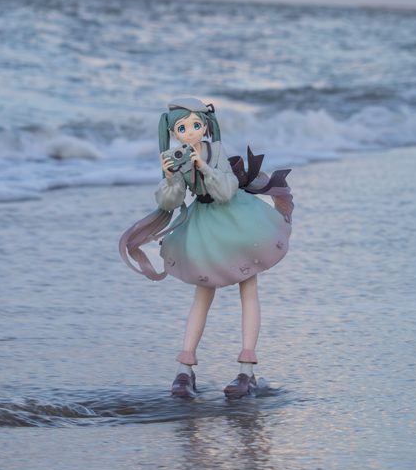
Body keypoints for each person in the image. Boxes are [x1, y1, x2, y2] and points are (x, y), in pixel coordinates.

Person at [119, 98, 293, 400]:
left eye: (196, 125)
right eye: (182, 128)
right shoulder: (174, 157)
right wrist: (172, 177)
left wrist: (203, 167)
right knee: (202, 294)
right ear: (173, 131)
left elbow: (226, 191)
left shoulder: (214, 151)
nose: (190, 132)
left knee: (248, 287)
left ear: (205, 126)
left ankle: (246, 369)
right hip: (204, 227)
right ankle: (184, 370)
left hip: (238, 221)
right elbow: (169, 203)